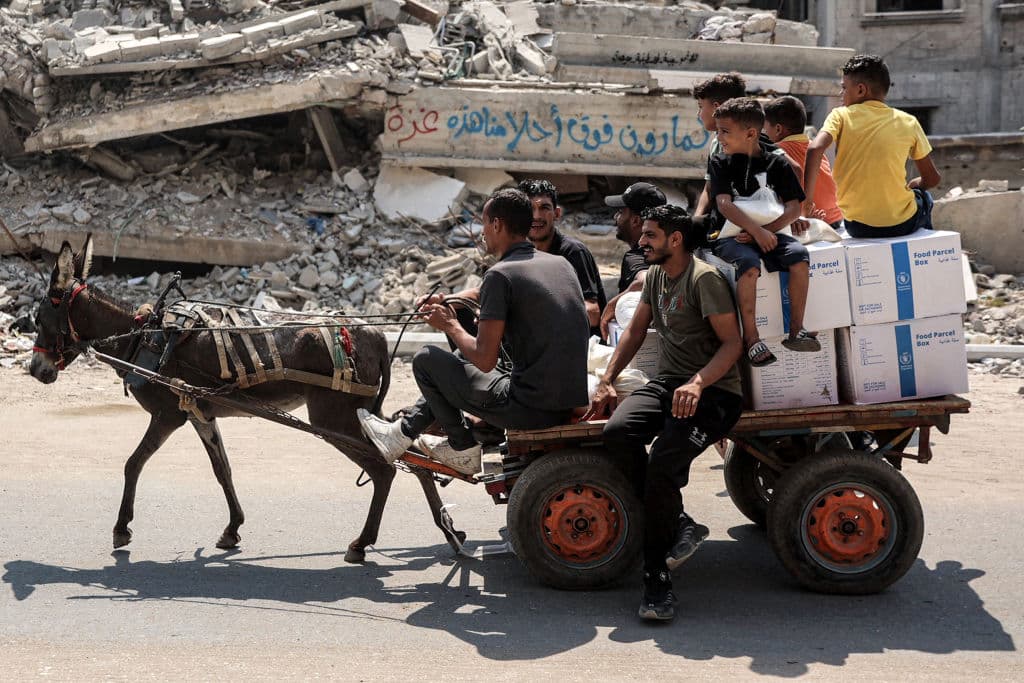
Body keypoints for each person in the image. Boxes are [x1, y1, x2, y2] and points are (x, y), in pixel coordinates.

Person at [358, 188, 590, 475]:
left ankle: (462, 446)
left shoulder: (500, 274)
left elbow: (484, 360)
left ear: (497, 225)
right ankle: (403, 432)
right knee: (458, 357)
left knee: (428, 360)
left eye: (484, 224)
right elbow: (482, 294)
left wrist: (450, 325)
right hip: (567, 400)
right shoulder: (558, 263)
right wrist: (447, 302)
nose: (483, 233)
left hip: (530, 407)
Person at [585, 204, 743, 622]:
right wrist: (607, 378)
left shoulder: (704, 280)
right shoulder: (655, 275)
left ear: (675, 239)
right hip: (669, 384)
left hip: (714, 394)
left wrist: (698, 383)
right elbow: (636, 331)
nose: (641, 241)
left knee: (660, 469)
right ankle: (676, 522)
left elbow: (733, 344)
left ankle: (656, 580)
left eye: (650, 235)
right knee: (617, 433)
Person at [708, 97, 820, 366]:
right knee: (748, 265)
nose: (719, 137)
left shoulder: (777, 164)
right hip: (728, 235)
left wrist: (767, 231)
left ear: (750, 133)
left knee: (799, 255)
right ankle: (752, 338)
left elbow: (794, 208)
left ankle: (797, 329)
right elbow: (724, 204)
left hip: (769, 231)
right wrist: (756, 232)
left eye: (724, 131)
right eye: (718, 130)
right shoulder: (719, 162)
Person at [804, 54, 941, 239]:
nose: (841, 94)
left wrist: (806, 203)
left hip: (857, 226)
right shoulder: (909, 121)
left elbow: (814, 149)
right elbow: (932, 179)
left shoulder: (840, 115)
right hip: (902, 224)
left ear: (860, 90)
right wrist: (916, 184)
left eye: (844, 88)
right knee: (925, 199)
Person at [518, 179, 607, 337]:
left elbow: (592, 314)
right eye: (529, 209)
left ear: (557, 213)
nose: (536, 216)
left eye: (544, 208)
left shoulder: (572, 252)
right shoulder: (523, 253)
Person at [763, 95, 844, 230]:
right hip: (834, 219)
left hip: (807, 221)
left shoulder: (776, 152)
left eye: (765, 129)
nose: (765, 133)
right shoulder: (813, 147)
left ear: (778, 129)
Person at [599, 181, 667, 340]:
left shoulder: (636, 257)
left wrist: (613, 303)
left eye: (621, 212)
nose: (616, 217)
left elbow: (645, 280)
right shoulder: (669, 251)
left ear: (635, 221)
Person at [691, 72, 747, 220]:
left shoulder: (751, 142)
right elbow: (709, 189)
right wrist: (695, 221)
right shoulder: (716, 143)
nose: (699, 114)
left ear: (717, 108)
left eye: (701, 107)